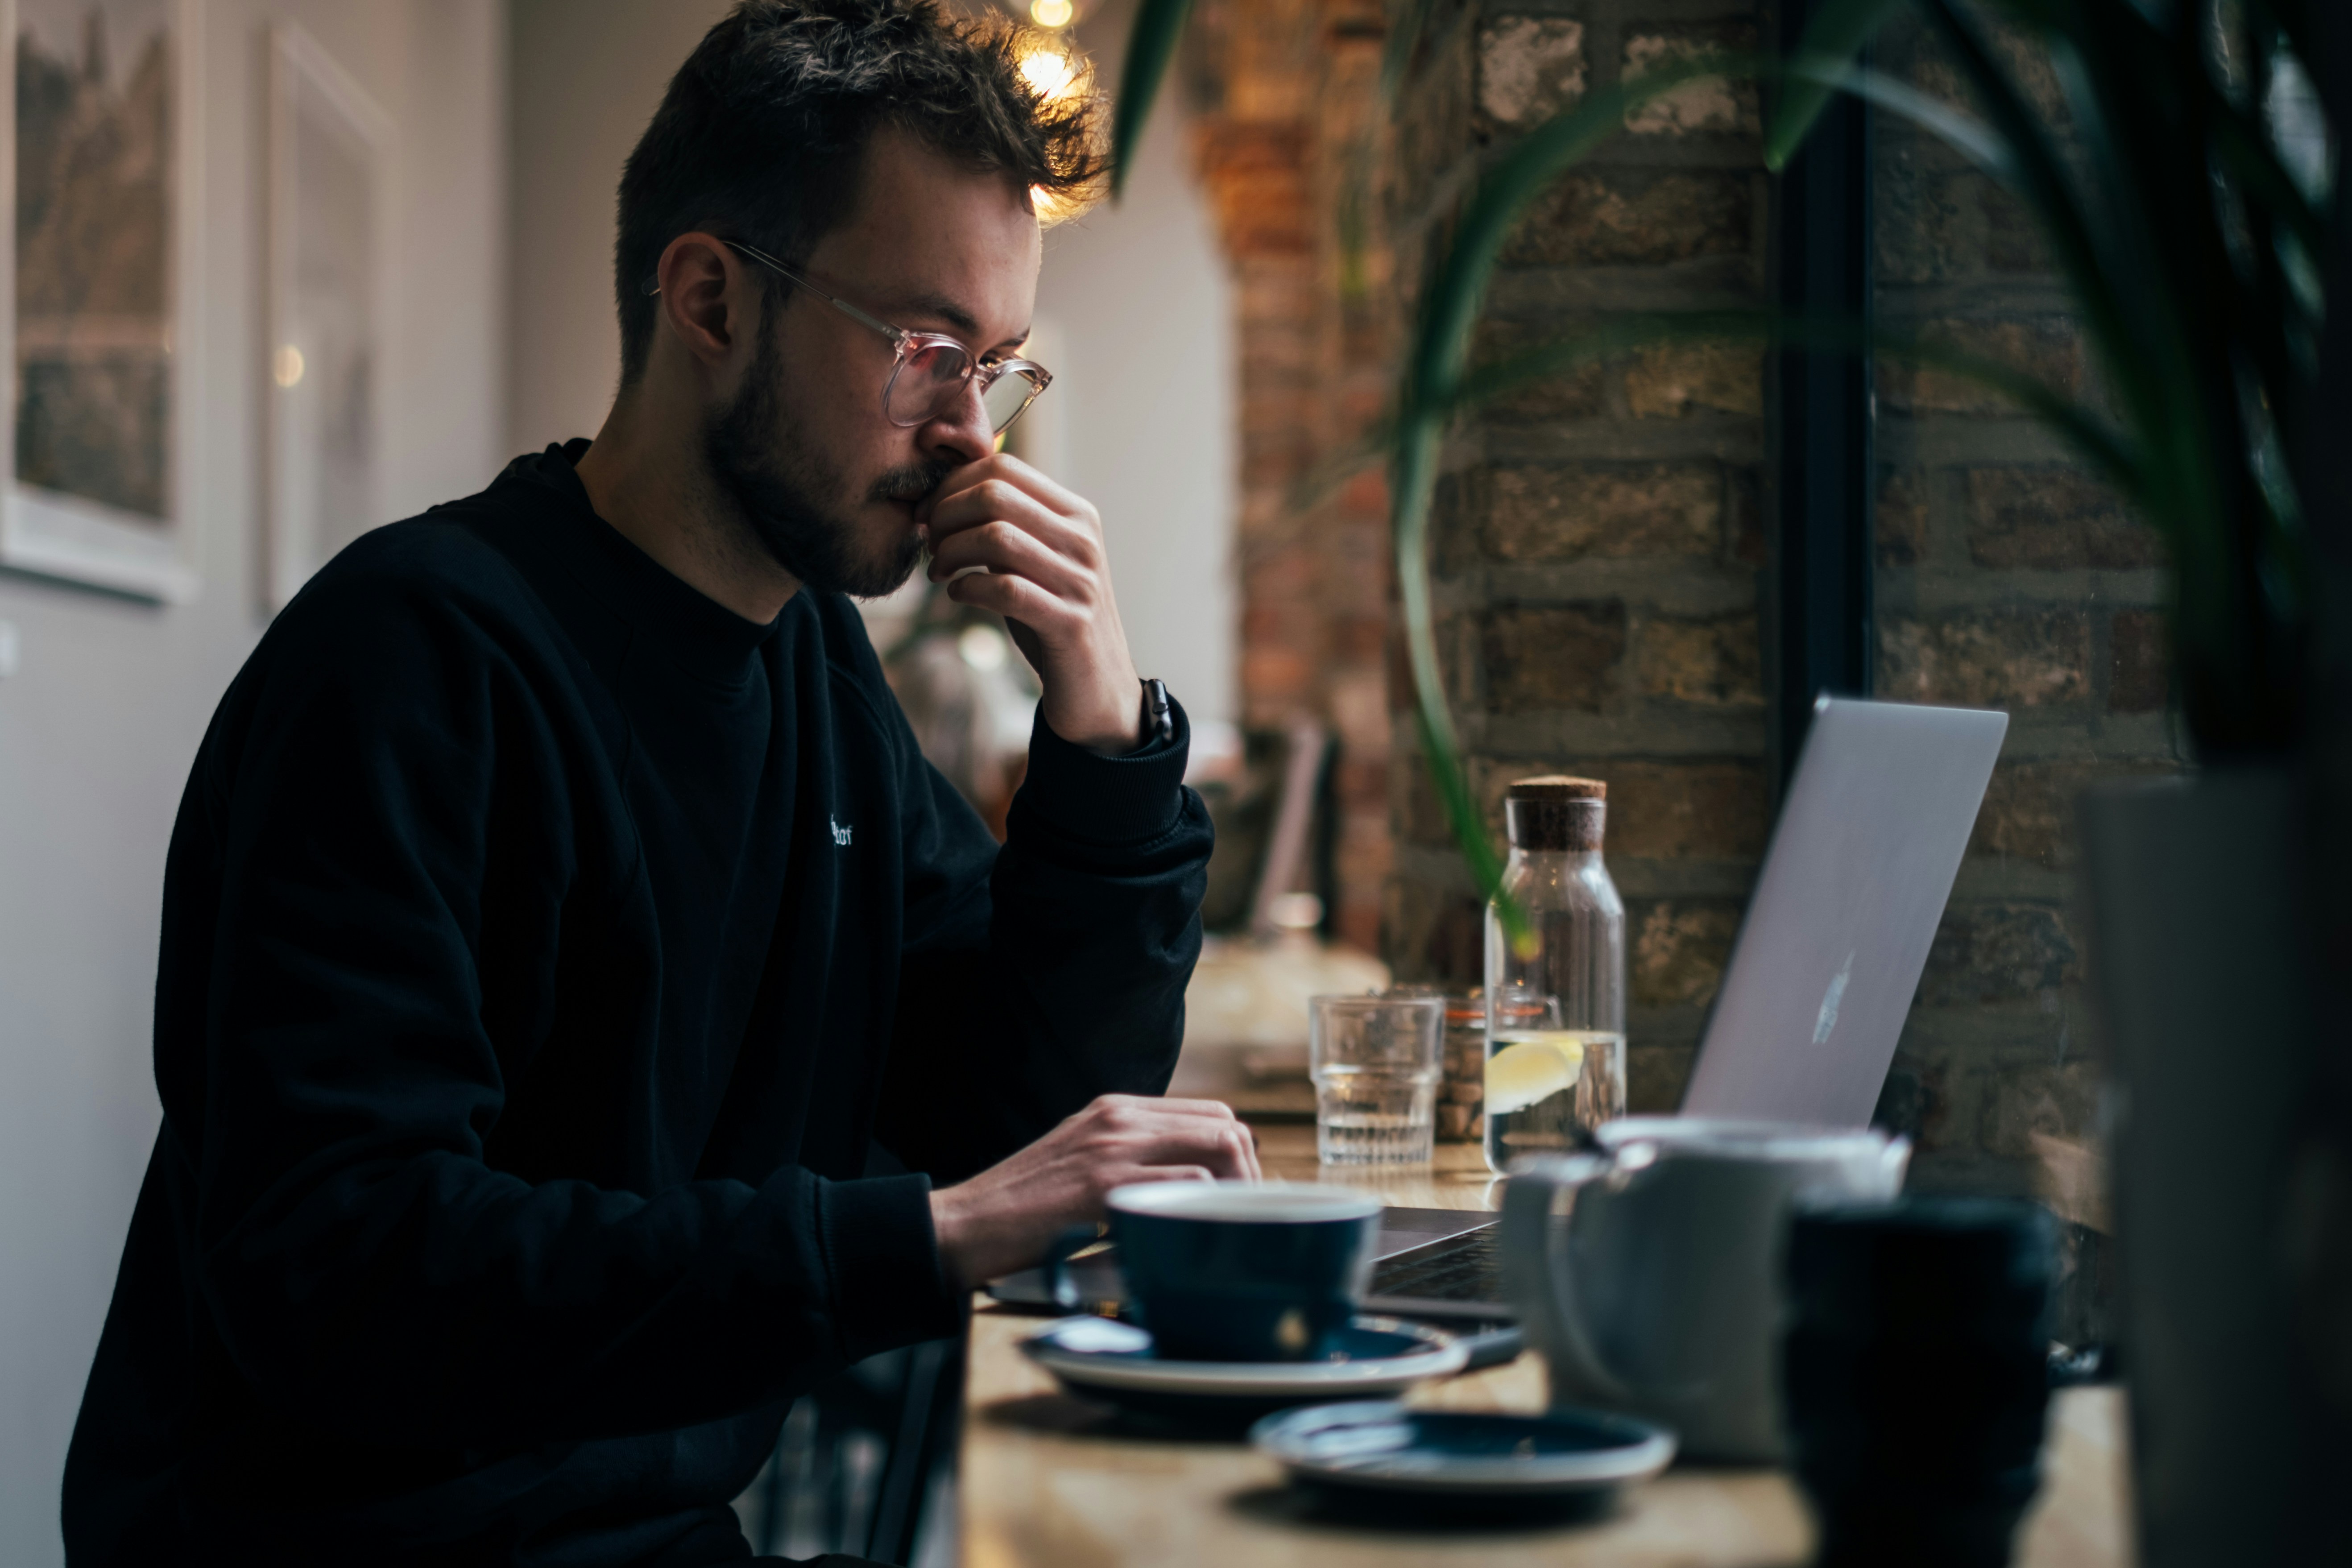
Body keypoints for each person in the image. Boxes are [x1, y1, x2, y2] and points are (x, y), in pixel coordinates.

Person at [62, 4, 1257, 1562]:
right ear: (708, 298)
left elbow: (1013, 1106)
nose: (974, 437)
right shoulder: (412, 657)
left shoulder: (814, 670)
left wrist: (1102, 729)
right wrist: (922, 1235)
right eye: (926, 353)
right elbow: (351, 1267)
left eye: (999, 368)